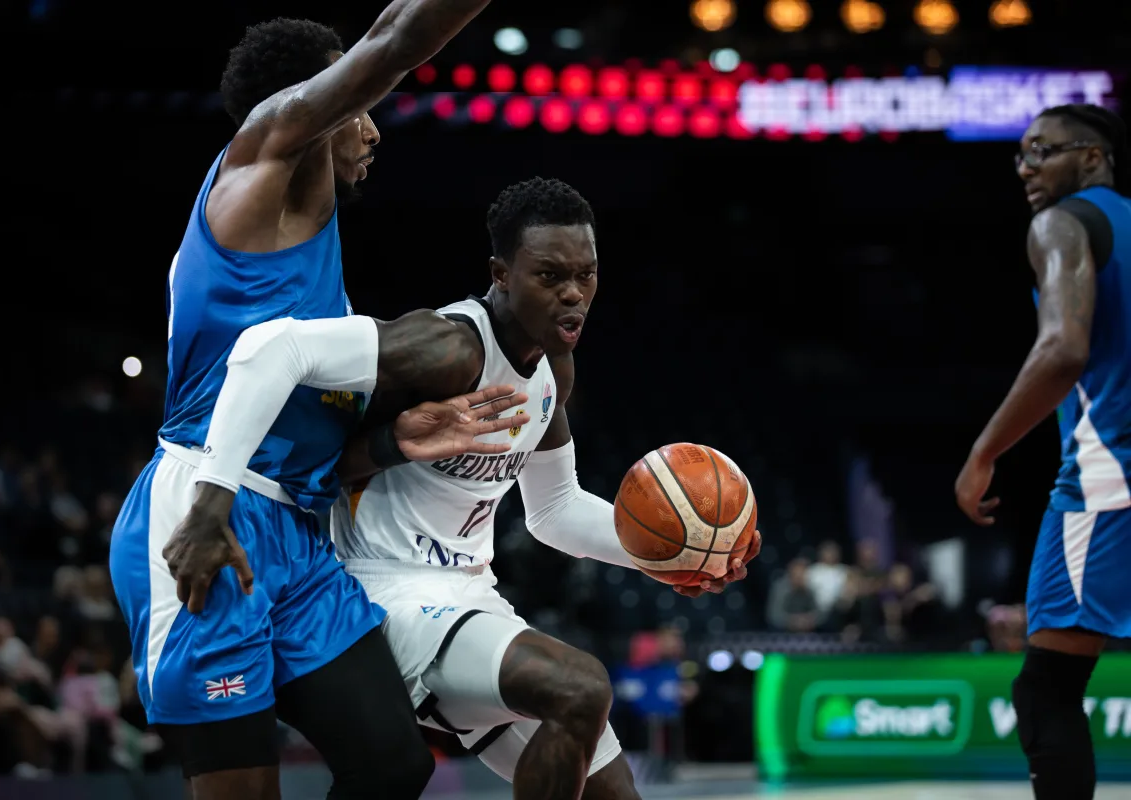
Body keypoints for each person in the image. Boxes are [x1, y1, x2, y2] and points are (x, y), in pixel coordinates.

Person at [195, 177, 762, 800]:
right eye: (549, 276)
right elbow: (272, 348)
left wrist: (666, 555)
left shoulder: (554, 368)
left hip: (471, 598)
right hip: (383, 591)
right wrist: (211, 498)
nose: (574, 294)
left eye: (587, 275)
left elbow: (554, 510)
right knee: (581, 688)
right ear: (501, 273)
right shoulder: (448, 347)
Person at [107, 5, 516, 799]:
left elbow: (327, 454)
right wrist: (209, 508)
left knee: (393, 765)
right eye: (356, 109)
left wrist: (400, 437)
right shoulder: (256, 164)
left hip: (295, 535)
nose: (372, 132)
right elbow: (396, 41)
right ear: (315, 106)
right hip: (208, 516)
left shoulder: (317, 271)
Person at [955, 103, 1130, 800]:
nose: (1025, 169)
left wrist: (984, 451)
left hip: (1109, 479)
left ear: (1092, 157)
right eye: (1021, 156)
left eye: (1042, 152)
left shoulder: (1061, 224)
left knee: (1047, 689)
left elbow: (1063, 348)